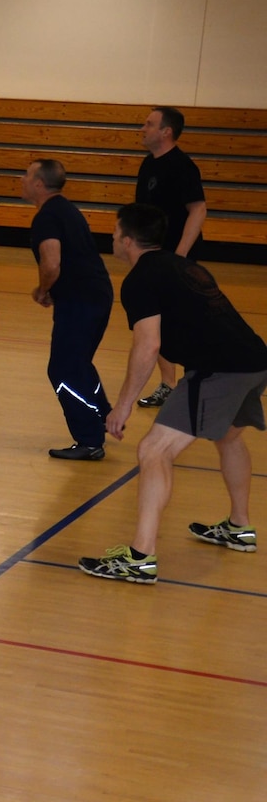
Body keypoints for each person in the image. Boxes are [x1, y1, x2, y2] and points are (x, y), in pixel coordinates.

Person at [78, 203, 267, 584]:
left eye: (115, 233)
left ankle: (141, 558)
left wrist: (123, 406)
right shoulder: (182, 265)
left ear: (128, 241)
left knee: (153, 451)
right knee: (229, 437)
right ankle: (239, 527)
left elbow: (148, 345)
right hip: (253, 359)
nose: (112, 238)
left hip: (219, 370)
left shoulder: (140, 280)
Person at [22, 158, 114, 461]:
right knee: (78, 363)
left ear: (38, 183)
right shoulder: (67, 209)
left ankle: (89, 440)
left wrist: (43, 289)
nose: (22, 180)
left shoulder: (47, 217)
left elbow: (52, 263)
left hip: (80, 301)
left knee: (62, 369)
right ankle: (103, 416)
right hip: (97, 295)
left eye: (26, 175)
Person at [131, 105, 206, 409]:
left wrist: (180, 257)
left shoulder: (182, 166)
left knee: (180, 322)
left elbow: (198, 209)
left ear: (166, 132)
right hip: (152, 259)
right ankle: (169, 384)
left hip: (175, 260)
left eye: (149, 124)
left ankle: (196, 383)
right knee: (154, 320)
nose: (143, 129)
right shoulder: (148, 164)